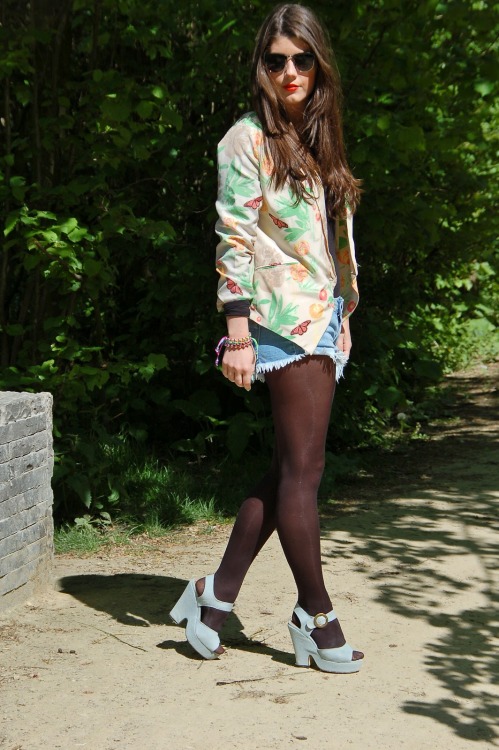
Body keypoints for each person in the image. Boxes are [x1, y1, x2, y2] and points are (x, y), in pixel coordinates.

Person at [170, 2, 364, 674]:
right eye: (276, 59)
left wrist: (342, 308)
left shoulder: (315, 135)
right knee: (303, 476)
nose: (289, 71)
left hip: (322, 318)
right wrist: (235, 333)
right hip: (280, 323)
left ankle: (214, 596)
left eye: (301, 58)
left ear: (318, 64)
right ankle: (315, 615)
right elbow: (233, 236)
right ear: (261, 64)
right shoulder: (243, 140)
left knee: (288, 470)